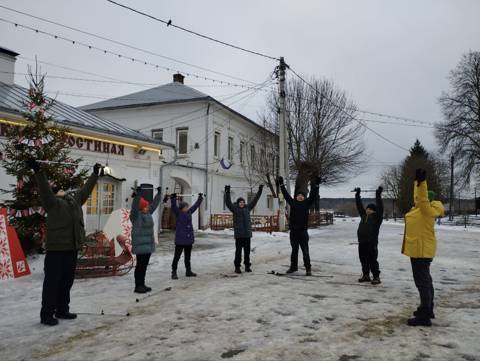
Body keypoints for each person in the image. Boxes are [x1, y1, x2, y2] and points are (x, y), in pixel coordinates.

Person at [27, 158, 100, 326]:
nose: (61, 189)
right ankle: (47, 314)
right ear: (55, 192)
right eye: (58, 189)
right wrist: (38, 171)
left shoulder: (73, 201)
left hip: (71, 248)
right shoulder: (52, 203)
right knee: (52, 283)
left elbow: (86, 191)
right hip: (56, 250)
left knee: (66, 281)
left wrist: (95, 175)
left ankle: (62, 309)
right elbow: (44, 189)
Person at [402, 168, 445, 327]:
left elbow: (422, 198)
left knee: (422, 282)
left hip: (421, 251)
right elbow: (418, 197)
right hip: (419, 249)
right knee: (426, 281)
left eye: (420, 198)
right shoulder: (419, 209)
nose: (416, 200)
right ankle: (427, 308)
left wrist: (422, 184)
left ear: (426, 199)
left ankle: (425, 316)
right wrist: (416, 183)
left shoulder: (426, 210)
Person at [277, 176, 320, 276]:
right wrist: (281, 184)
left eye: (302, 196)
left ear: (304, 197)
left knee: (305, 251)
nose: (300, 196)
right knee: (294, 251)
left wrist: (316, 185)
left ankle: (308, 268)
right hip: (294, 232)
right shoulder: (293, 203)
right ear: (296, 197)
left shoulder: (307, 203)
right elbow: (286, 195)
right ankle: (293, 267)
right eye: (298, 195)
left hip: (303, 232)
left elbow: (313, 195)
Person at [224, 184, 264, 273]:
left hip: (247, 235)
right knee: (238, 252)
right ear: (238, 203)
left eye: (243, 202)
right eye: (240, 202)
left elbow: (255, 200)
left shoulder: (248, 208)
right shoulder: (234, 209)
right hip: (239, 235)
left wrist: (260, 190)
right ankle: (237, 267)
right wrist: (227, 192)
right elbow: (228, 202)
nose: (242, 203)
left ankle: (247, 266)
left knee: (247, 252)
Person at [130, 186, 162, 294]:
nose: (148, 207)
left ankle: (142, 284)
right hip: (140, 245)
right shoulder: (135, 216)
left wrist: (159, 194)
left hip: (148, 245)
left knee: (144, 267)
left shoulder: (148, 213)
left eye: (147, 206)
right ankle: (138, 286)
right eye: (145, 206)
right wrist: (138, 196)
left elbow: (154, 204)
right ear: (141, 207)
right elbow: (134, 207)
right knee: (140, 266)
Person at [354, 186, 384, 285]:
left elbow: (380, 207)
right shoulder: (363, 215)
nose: (367, 210)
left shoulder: (377, 217)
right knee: (363, 259)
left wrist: (378, 195)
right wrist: (357, 195)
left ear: (374, 211)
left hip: (371, 242)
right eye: (367, 209)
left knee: (372, 260)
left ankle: (376, 277)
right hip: (362, 242)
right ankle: (366, 275)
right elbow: (359, 206)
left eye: (370, 209)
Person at [170, 193, 203, 279]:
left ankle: (188, 271)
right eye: (185, 207)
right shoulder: (178, 213)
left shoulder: (189, 212)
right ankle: (174, 272)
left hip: (188, 239)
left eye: (187, 207)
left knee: (188, 257)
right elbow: (173, 207)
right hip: (180, 239)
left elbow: (195, 206)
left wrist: (200, 198)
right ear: (182, 208)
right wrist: (173, 199)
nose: (187, 208)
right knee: (177, 257)